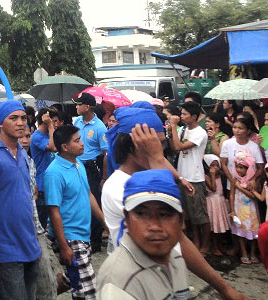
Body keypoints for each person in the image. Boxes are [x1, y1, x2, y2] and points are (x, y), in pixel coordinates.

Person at [101, 109, 247, 300]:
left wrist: (224, 288)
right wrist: (223, 288)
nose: (160, 150)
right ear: (133, 146)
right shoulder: (120, 187)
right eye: (155, 144)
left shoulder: (146, 179)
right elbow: (177, 235)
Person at [0, 100, 41, 300]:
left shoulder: (22, 153)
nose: (20, 123)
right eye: (13, 118)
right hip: (6, 249)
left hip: (29, 244)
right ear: (0, 123)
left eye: (23, 118)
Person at [97, 169, 189, 300]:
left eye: (164, 214)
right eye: (142, 214)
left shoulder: (175, 258)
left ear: (181, 220)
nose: (154, 226)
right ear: (127, 219)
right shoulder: (119, 282)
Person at [45, 125, 104, 300]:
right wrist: (63, 246)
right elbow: (53, 211)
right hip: (70, 236)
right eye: (77, 141)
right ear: (65, 147)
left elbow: (88, 194)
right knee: (89, 292)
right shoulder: (54, 173)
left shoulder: (78, 164)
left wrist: (104, 221)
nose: (82, 144)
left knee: (74, 278)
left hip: (83, 234)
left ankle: (39, 294)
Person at [167, 101, 210, 252]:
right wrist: (171, 132)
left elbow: (179, 147)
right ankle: (196, 243)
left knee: (200, 215)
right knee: (189, 216)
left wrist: (173, 127)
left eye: (185, 114)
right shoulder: (184, 130)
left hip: (195, 177)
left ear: (194, 116)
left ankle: (205, 246)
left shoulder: (200, 132)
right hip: (182, 175)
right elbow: (174, 148)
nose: (182, 116)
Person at [71, 93, 108, 252]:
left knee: (93, 202)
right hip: (77, 165)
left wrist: (103, 177)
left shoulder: (99, 127)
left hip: (92, 167)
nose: (76, 107)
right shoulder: (76, 122)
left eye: (79, 104)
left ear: (87, 107)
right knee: (78, 201)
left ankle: (95, 241)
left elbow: (105, 154)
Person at [229, 152, 260, 264]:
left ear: (248, 168)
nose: (239, 170)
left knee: (253, 231)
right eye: (237, 167)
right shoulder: (234, 179)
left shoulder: (252, 181)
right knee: (240, 231)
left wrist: (240, 188)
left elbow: (252, 196)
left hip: (251, 210)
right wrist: (232, 210)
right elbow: (231, 194)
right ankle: (244, 253)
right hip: (239, 209)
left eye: (242, 168)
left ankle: (253, 253)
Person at [31, 107, 59, 229]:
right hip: (42, 184)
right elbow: (52, 147)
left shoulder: (50, 134)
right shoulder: (37, 136)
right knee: (41, 224)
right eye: (54, 121)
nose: (56, 124)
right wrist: (50, 125)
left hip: (51, 182)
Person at [220, 117, 264, 190]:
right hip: (232, 185)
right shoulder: (227, 144)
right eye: (234, 127)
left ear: (248, 131)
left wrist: (252, 179)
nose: (236, 131)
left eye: (240, 128)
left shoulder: (254, 146)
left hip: (249, 186)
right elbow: (223, 164)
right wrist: (232, 180)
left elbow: (260, 168)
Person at [205, 154, 230, 256]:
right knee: (214, 226)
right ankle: (214, 247)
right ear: (207, 166)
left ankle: (220, 245)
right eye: (212, 165)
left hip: (220, 201)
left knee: (221, 225)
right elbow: (213, 189)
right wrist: (212, 175)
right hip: (212, 202)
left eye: (217, 165)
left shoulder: (221, 175)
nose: (215, 168)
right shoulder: (206, 176)